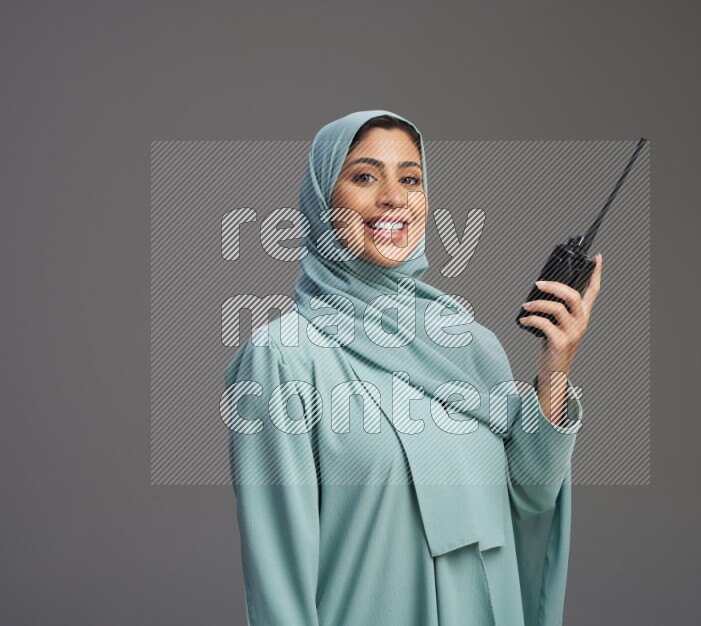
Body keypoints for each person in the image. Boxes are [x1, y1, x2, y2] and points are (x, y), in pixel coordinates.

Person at [224, 110, 602, 625]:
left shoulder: (470, 344)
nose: (393, 198)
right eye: (364, 177)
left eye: (410, 179)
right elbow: (279, 578)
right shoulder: (285, 357)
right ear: (321, 201)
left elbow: (529, 499)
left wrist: (555, 366)